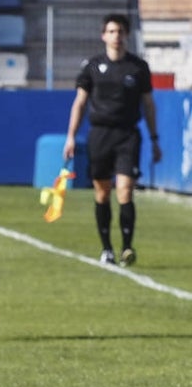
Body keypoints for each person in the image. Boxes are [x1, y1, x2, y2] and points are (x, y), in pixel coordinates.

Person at [63, 14, 160, 266]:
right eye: (112, 31)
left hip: (127, 135)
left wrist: (154, 137)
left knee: (125, 191)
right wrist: (71, 137)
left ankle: (127, 247)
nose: (116, 36)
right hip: (100, 135)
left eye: (120, 31)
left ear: (126, 35)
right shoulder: (92, 67)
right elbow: (80, 103)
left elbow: (148, 104)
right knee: (102, 193)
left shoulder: (138, 67)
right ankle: (106, 248)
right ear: (103, 35)